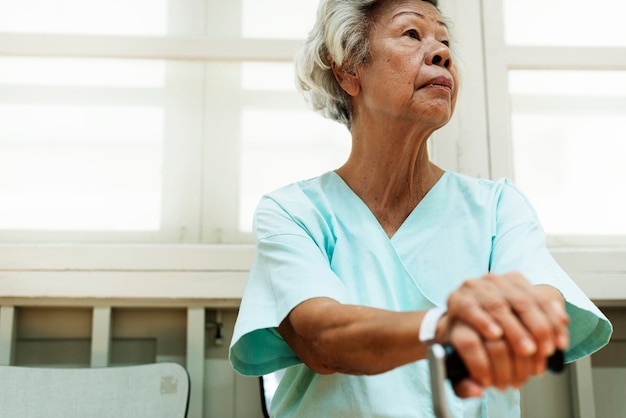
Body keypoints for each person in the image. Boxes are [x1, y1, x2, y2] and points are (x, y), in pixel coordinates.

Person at [229, 0, 612, 416]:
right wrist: (443, 326)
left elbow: (539, 304)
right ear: (347, 69)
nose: (441, 52)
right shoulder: (293, 212)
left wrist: (525, 317)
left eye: (444, 40)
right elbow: (321, 339)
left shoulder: (498, 207)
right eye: (412, 34)